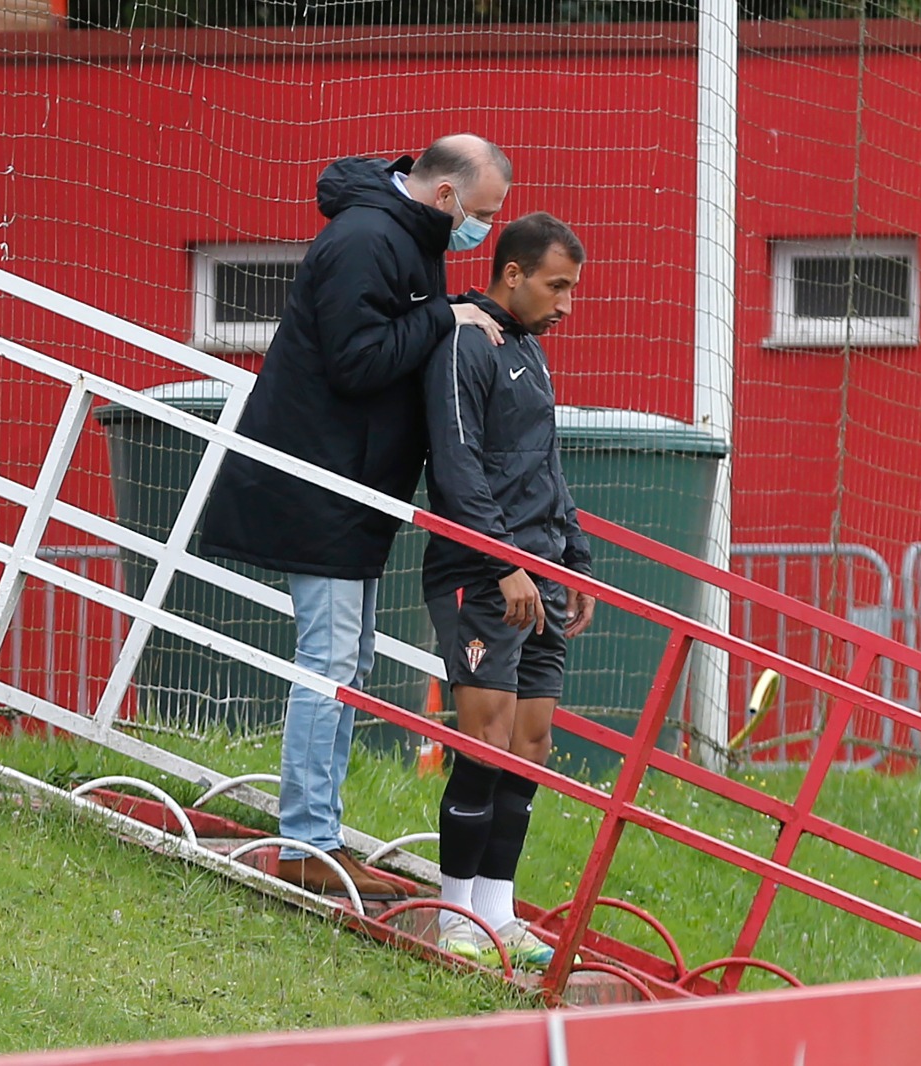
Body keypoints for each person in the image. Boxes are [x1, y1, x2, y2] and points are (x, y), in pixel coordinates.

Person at [200, 134, 513, 902]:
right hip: (322, 484)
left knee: (348, 664)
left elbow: (391, 335)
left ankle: (319, 831)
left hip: (350, 487)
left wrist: (449, 311)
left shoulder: (400, 234)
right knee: (330, 664)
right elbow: (356, 360)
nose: (480, 232)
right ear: (445, 197)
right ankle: (305, 839)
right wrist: (445, 319)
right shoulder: (368, 238)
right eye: (481, 215)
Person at [420, 212, 595, 967]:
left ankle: (498, 910)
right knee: (483, 744)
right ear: (513, 274)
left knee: (530, 746)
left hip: (543, 576)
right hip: (485, 576)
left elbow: (545, 468)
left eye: (573, 289)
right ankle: (453, 915)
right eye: (556, 285)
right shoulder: (466, 342)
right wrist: (501, 562)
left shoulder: (530, 351)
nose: (566, 303)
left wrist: (576, 560)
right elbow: (455, 466)